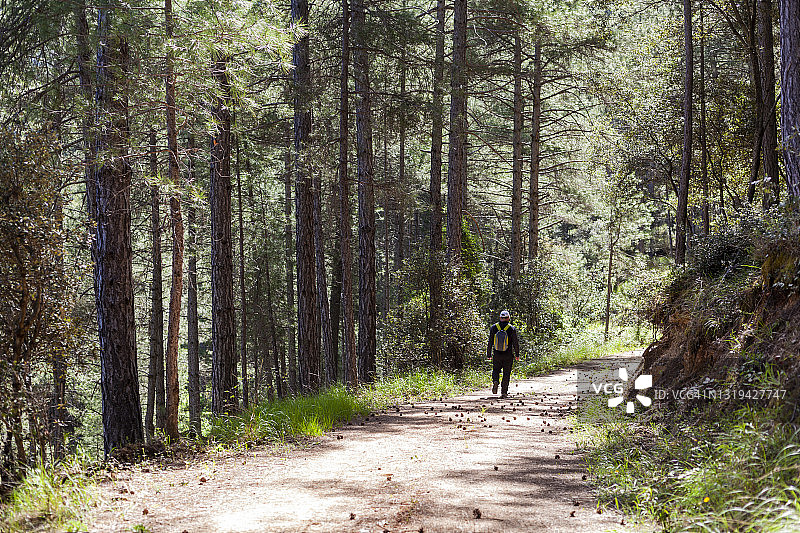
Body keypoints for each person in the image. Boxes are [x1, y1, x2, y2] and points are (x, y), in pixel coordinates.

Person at [487, 310, 520, 398]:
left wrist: (489, 354)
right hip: (508, 355)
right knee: (506, 373)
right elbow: (515, 343)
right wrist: (517, 354)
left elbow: (490, 341)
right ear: (508, 318)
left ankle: (495, 381)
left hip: (497, 354)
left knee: (495, 370)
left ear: (500, 318)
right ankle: (504, 392)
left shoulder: (494, 327)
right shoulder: (511, 328)